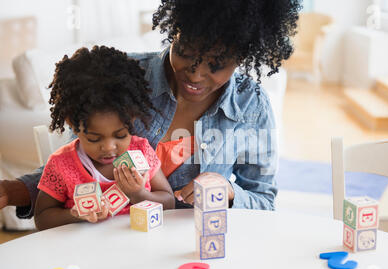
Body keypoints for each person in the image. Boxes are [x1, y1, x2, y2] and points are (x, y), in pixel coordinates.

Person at [0, 0, 301, 220]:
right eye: (185, 52)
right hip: (112, 240)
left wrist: (228, 191)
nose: (195, 75)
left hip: (192, 246)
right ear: (175, 31)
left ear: (243, 58)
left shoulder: (251, 107)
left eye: (217, 64)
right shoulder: (120, 78)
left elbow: (264, 201)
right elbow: (74, 166)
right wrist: (14, 190)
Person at [34, 46, 174, 230]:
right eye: (94, 138)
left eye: (121, 135)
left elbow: (169, 202)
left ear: (133, 119)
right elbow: (42, 218)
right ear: (72, 123)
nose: (108, 147)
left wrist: (139, 194)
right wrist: (75, 214)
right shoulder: (61, 164)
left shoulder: (141, 151)